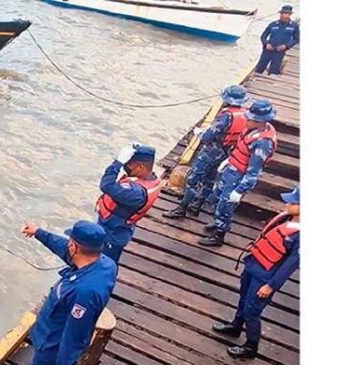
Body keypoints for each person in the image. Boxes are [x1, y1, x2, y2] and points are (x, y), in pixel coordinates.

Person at [1, 220, 117, 365]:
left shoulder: (84, 292)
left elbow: (72, 340)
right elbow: (62, 247)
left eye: (71, 242)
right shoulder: (104, 264)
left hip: (54, 344)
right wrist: (39, 233)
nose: (68, 247)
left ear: (76, 246)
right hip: (55, 331)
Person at [212, 186, 300, 359]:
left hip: (266, 276)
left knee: (253, 310)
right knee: (243, 299)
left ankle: (251, 346)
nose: (288, 204)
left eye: (294, 202)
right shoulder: (286, 218)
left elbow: (290, 266)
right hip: (254, 265)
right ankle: (236, 326)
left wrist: (271, 286)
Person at [163, 85, 250, 219]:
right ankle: (197, 205)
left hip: (211, 152)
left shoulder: (226, 116)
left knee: (193, 180)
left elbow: (207, 136)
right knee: (210, 179)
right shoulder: (244, 114)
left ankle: (182, 209)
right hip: (226, 152)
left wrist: (199, 133)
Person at [199, 100, 278, 247]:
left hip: (239, 177)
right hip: (232, 168)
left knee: (226, 205)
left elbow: (254, 171)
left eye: (251, 119)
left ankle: (220, 235)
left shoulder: (263, 142)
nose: (246, 120)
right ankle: (217, 223)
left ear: (260, 122)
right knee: (218, 197)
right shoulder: (251, 130)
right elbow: (241, 148)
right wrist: (229, 159)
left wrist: (240, 190)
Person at [95, 143, 162, 263]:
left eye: (129, 164)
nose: (126, 167)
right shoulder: (150, 179)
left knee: (104, 264)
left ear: (141, 167)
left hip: (113, 233)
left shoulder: (136, 193)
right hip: (117, 227)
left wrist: (118, 163)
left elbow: (106, 185)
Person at [255, 5, 299, 75]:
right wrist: (266, 44)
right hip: (268, 50)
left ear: (289, 15)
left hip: (279, 52)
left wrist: (286, 46)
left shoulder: (294, 26)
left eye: (285, 13)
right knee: (259, 69)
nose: (283, 15)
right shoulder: (273, 24)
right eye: (282, 13)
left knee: (273, 72)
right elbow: (263, 36)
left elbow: (296, 39)